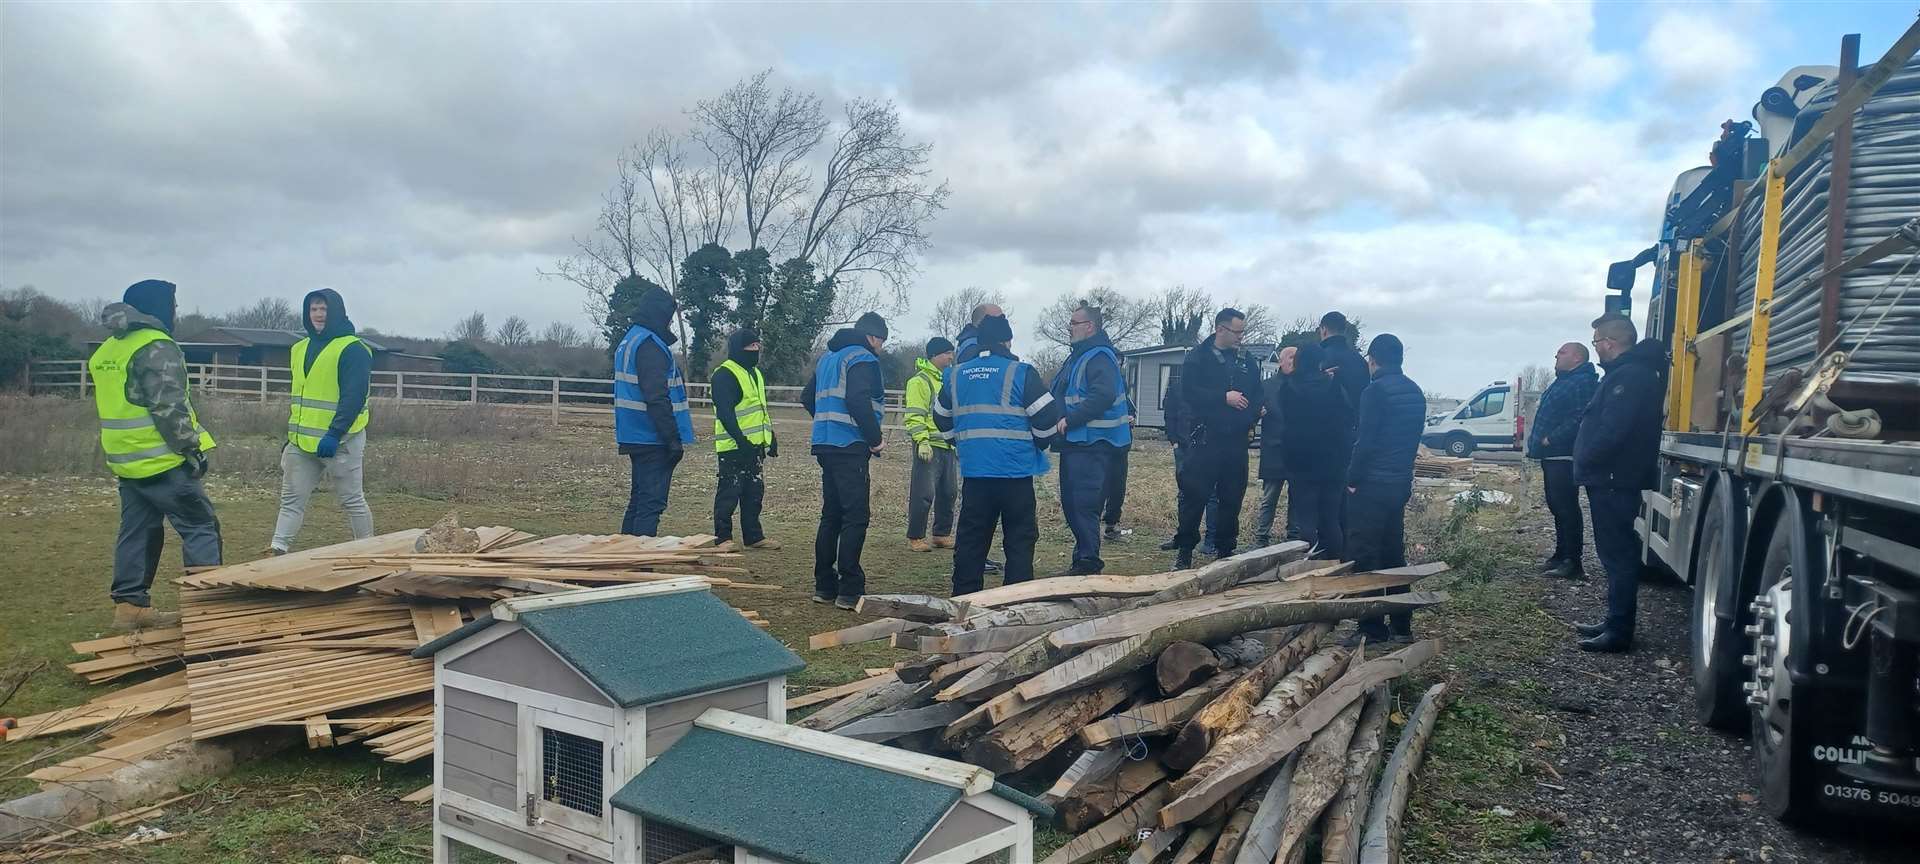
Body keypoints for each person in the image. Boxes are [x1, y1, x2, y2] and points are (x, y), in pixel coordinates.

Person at [89, 280, 222, 630]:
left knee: (137, 531)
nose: (176, 311)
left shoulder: (109, 348)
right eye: (173, 305)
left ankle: (130, 607)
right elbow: (168, 407)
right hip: (163, 460)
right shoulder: (156, 345)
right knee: (200, 526)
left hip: (127, 461)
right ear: (158, 307)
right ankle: (205, 611)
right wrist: (191, 449)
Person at [935, 314, 1063, 595]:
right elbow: (1047, 415)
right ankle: (1016, 600)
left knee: (971, 540)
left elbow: (941, 416)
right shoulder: (1020, 372)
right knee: (1019, 539)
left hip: (976, 473)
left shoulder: (957, 374)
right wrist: (1040, 444)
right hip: (1015, 473)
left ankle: (964, 600)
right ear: (1007, 341)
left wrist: (960, 443)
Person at [1572, 315, 1667, 653]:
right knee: (1613, 555)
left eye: (1597, 341)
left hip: (1613, 478)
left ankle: (1619, 630)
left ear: (1610, 343)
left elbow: (1614, 430)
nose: (1596, 346)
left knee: (1618, 556)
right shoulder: (1627, 375)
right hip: (1611, 477)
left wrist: (1587, 459)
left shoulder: (1629, 378)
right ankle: (1614, 621)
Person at [270, 289, 373, 555]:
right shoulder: (299, 348)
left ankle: (369, 551)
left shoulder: (353, 349)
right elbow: (303, 398)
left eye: (323, 309)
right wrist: (291, 438)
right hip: (301, 443)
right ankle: (277, 550)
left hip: (341, 441)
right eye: (313, 309)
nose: (318, 315)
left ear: (336, 311)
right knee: (291, 500)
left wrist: (334, 433)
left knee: (352, 499)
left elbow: (353, 397)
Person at [802, 312, 889, 608]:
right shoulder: (862, 358)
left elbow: (806, 397)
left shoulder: (829, 358)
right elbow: (857, 400)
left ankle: (824, 585)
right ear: (873, 337)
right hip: (851, 445)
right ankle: (850, 588)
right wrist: (875, 439)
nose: (881, 348)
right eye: (882, 341)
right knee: (855, 516)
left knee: (831, 516)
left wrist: (826, 423)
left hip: (825, 444)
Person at [1345, 334, 1426, 643]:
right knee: (1393, 552)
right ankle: (1402, 624)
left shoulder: (1375, 391)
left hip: (1372, 485)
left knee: (1365, 554)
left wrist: (1352, 479)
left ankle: (1371, 627)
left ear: (1372, 360)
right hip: (1398, 482)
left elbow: (1366, 441)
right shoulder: (1414, 391)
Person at [1171, 309, 1262, 568]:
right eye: (1237, 332)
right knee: (1194, 496)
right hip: (1205, 440)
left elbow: (1257, 396)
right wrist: (1223, 397)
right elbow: (1188, 393)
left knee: (1232, 497)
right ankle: (1185, 550)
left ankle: (1225, 550)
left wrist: (1248, 420)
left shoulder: (1246, 360)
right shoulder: (1197, 358)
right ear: (1220, 329)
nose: (1241, 338)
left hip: (1235, 442)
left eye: (1243, 332)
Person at [1051, 303, 1131, 576]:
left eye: (1074, 323)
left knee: (1083, 505)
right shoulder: (1080, 355)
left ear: (1090, 327)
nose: (1069, 327)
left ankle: (1087, 565)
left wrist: (1070, 419)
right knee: (1075, 505)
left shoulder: (1098, 357)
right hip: (1079, 443)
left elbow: (1103, 395)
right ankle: (1083, 560)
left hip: (1094, 443)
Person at [614, 283, 693, 536]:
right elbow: (657, 396)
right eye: (668, 319)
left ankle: (623, 564)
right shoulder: (650, 345)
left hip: (634, 433)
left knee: (638, 502)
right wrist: (672, 440)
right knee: (651, 505)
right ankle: (639, 566)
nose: (669, 325)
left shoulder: (630, 339)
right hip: (652, 437)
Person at [1527, 342, 1600, 579]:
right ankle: (1560, 555)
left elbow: (1582, 416)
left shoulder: (1582, 382)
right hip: (1552, 456)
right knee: (1556, 506)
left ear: (1578, 357)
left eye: (1562, 352)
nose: (1556, 355)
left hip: (1564, 455)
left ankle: (1573, 562)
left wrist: (1551, 438)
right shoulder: (1565, 379)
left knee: (1566, 507)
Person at [711, 328, 780, 552]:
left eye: (758, 345)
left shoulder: (756, 374)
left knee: (754, 493)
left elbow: (759, 409)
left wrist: (770, 438)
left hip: (755, 447)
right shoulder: (724, 374)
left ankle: (754, 536)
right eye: (751, 346)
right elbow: (725, 412)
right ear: (738, 348)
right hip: (733, 447)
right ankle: (723, 538)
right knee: (729, 492)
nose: (756, 349)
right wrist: (740, 441)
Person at [1284, 342, 1347, 558]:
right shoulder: (1333, 386)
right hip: (1332, 463)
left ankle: (1306, 564)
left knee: (1306, 518)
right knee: (1330, 518)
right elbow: (1346, 421)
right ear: (1320, 362)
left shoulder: (1289, 386)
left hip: (1300, 462)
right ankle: (1335, 564)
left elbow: (1285, 421)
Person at [904, 337, 959, 552]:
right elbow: (915, 415)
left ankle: (941, 534)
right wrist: (921, 441)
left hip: (947, 445)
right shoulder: (919, 381)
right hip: (928, 446)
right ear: (934, 355)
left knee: (949, 492)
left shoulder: (948, 380)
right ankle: (916, 536)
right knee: (923, 493)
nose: (950, 357)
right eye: (946, 353)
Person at [1158, 374, 1219, 554]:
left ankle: (1211, 540)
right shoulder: (1178, 387)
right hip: (1183, 448)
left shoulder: (1214, 387)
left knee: (1212, 495)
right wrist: (1174, 441)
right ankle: (1182, 536)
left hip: (1208, 449)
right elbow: (1170, 415)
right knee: (1185, 495)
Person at [1252, 347, 1295, 547]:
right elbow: (1253, 413)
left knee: (1297, 498)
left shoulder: (1304, 386)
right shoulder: (1266, 386)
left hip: (1298, 452)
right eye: (1291, 357)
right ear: (1281, 361)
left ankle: (1294, 537)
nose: (1295, 361)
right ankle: (1262, 538)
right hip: (1273, 450)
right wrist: (1256, 414)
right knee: (1269, 497)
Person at [1101, 410, 1132, 541]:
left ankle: (1111, 526)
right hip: (1100, 444)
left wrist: (1131, 419)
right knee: (1098, 488)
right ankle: (1089, 529)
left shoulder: (1123, 392)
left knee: (1118, 488)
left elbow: (1129, 410)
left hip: (1121, 445)